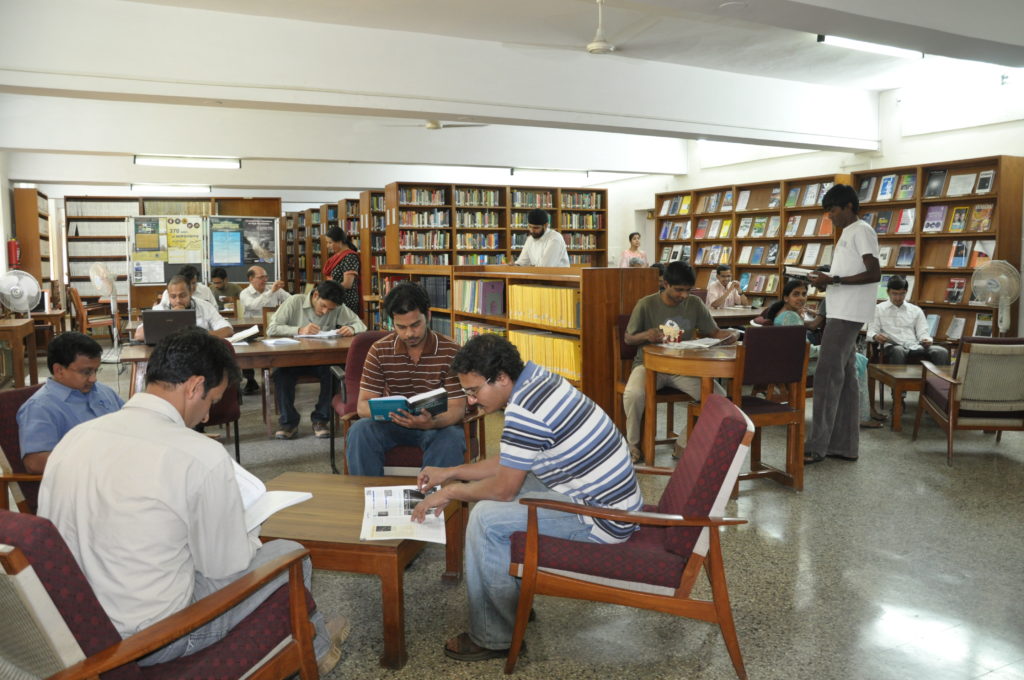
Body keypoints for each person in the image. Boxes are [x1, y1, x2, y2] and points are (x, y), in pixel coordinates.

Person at [37, 329, 347, 674]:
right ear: (195, 386)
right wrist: (246, 532)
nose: (204, 416)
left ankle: (312, 636)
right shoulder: (199, 454)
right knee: (290, 553)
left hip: (78, 629)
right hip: (156, 638)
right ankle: (312, 651)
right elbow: (224, 566)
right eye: (211, 401)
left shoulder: (75, 438)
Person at [409, 334, 642, 662]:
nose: (472, 401)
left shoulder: (526, 411)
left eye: (474, 391)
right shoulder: (537, 380)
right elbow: (510, 460)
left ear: (501, 378)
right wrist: (451, 471)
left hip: (602, 517)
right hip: (602, 496)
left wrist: (451, 490)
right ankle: (509, 605)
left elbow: (503, 488)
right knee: (502, 498)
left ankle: (494, 637)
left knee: (485, 519)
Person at [346, 282, 467, 475]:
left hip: (436, 426)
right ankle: (368, 497)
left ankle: (432, 500)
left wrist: (432, 422)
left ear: (428, 316)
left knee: (452, 437)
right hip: (392, 425)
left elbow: (457, 407)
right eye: (401, 327)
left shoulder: (451, 350)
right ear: (391, 322)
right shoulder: (379, 350)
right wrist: (394, 413)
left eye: (415, 325)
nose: (409, 334)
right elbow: (362, 406)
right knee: (361, 430)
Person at [622, 261, 737, 462]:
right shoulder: (646, 304)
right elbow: (628, 338)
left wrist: (731, 335)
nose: (684, 295)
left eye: (688, 290)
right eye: (678, 290)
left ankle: (683, 443)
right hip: (648, 366)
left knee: (719, 398)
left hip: (682, 368)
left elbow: (714, 332)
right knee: (633, 394)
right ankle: (632, 445)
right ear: (665, 284)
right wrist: (647, 335)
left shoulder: (694, 303)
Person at [805, 184, 881, 464]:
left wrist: (834, 280)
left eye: (833, 211)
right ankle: (845, 446)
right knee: (847, 380)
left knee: (826, 376)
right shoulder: (849, 232)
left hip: (848, 313)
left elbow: (874, 273)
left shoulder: (862, 230)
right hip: (840, 310)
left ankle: (816, 445)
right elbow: (852, 271)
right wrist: (828, 275)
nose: (830, 217)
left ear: (848, 206)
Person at [764, 278, 882, 427]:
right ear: (786, 297)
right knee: (854, 360)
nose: (801, 298)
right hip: (800, 367)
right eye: (796, 294)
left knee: (854, 358)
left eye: (804, 294)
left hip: (792, 362)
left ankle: (856, 413)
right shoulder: (790, 317)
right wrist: (833, 347)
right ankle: (861, 415)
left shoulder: (783, 313)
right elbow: (808, 351)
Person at [268, 279, 366, 439]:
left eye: (331, 309)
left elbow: (360, 324)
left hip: (321, 359)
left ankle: (321, 420)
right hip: (292, 358)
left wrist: (352, 328)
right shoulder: (295, 301)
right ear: (315, 295)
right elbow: (272, 328)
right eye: (323, 306)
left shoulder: (337, 307)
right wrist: (299, 329)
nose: (326, 311)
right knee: (281, 375)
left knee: (334, 373)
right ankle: (288, 422)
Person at [16, 331, 124, 474]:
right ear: (59, 370)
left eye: (96, 370)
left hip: (119, 470)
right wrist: (96, 459)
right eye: (86, 372)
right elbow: (35, 463)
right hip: (82, 482)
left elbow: (128, 423)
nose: (93, 379)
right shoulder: (40, 408)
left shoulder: (103, 392)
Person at [867, 275, 950, 365]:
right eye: (894, 294)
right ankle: (898, 379)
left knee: (941, 352)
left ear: (906, 292)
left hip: (914, 345)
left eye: (902, 294)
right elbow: (871, 332)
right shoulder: (878, 309)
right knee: (898, 350)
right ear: (888, 292)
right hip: (891, 346)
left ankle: (938, 379)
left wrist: (926, 339)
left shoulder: (916, 310)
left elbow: (923, 332)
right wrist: (876, 336)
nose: (898, 298)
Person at [238, 265, 291, 394]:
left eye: (266, 276)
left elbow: (291, 300)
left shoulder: (274, 289)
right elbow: (253, 305)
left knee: (285, 342)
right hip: (252, 329)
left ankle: (281, 374)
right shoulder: (245, 293)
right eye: (261, 277)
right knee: (245, 347)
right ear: (251, 279)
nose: (265, 280)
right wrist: (271, 292)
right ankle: (250, 380)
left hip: (271, 327)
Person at [134, 274, 233, 341]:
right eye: (173, 296)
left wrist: (198, 335)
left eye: (182, 296)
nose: (178, 300)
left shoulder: (205, 306)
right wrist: (171, 318)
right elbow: (138, 335)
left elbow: (227, 330)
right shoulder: (160, 309)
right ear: (168, 295)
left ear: (190, 293)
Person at [324, 226, 361, 317]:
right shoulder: (337, 256)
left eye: (330, 242)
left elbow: (348, 284)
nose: (327, 246)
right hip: (335, 299)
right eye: (327, 243)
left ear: (340, 241)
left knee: (344, 330)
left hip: (346, 301)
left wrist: (328, 290)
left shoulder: (350, 257)